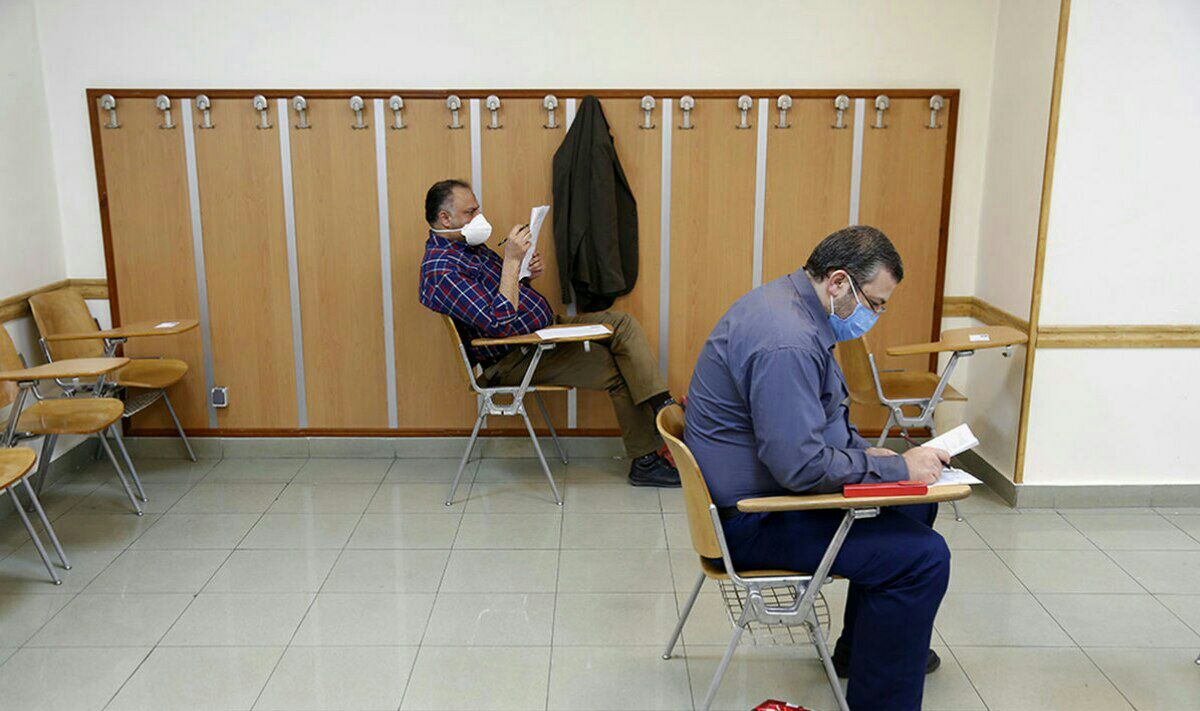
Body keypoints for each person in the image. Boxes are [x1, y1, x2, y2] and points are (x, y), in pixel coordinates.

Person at [684, 225, 951, 710]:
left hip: (765, 497)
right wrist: (898, 470)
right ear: (838, 282)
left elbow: (813, 423)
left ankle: (865, 652)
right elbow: (801, 468)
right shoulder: (787, 341)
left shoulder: (789, 307)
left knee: (915, 508)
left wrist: (871, 458)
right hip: (754, 519)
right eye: (875, 303)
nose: (876, 316)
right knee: (923, 558)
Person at [419, 179, 680, 488]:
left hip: (543, 332)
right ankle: (646, 461)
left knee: (622, 323)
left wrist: (525, 273)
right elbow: (500, 322)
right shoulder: (441, 270)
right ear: (445, 218)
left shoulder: (469, 249)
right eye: (470, 212)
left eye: (478, 209)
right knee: (616, 369)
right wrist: (511, 261)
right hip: (514, 356)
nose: (479, 217)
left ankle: (663, 405)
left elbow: (506, 293)